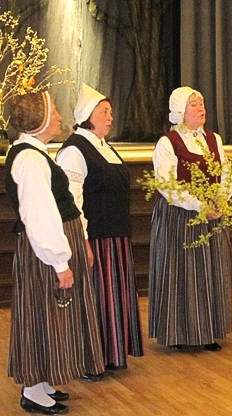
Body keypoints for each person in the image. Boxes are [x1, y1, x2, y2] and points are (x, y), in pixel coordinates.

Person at [5, 91, 105, 414]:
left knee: (53, 315)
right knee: (43, 312)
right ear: (39, 120)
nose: (61, 116)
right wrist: (60, 262)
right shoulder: (30, 160)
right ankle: (33, 391)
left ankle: (43, 382)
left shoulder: (35, 154)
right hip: (45, 252)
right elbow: (39, 215)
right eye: (55, 111)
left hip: (55, 244)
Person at [56, 83, 144, 373]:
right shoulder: (74, 150)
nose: (110, 117)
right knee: (95, 297)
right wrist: (83, 241)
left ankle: (111, 353)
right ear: (87, 115)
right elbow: (72, 200)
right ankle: (89, 359)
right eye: (104, 111)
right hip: (95, 238)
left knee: (112, 298)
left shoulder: (104, 146)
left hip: (115, 236)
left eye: (110, 112)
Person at [149, 86, 232, 350]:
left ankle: (207, 332)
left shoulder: (214, 139)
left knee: (209, 272)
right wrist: (198, 204)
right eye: (194, 105)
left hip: (211, 214)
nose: (201, 109)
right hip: (179, 218)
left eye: (202, 103)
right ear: (180, 111)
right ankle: (178, 334)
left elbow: (226, 173)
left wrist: (221, 197)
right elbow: (167, 184)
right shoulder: (168, 143)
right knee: (181, 273)